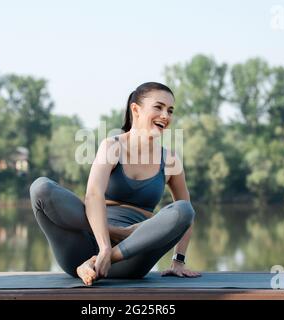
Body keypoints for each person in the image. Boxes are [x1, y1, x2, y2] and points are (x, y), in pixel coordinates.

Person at [30, 82, 201, 286]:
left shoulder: (171, 160)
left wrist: (178, 261)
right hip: (83, 246)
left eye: (170, 110)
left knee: (184, 209)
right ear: (135, 110)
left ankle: (96, 263)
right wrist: (105, 244)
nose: (166, 115)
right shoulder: (112, 146)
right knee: (41, 188)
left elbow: (186, 218)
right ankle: (108, 245)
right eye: (158, 107)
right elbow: (93, 195)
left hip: (132, 256)